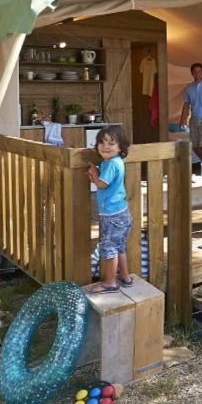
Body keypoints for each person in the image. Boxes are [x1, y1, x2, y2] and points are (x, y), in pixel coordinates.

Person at [86, 125, 134, 293]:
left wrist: (93, 173)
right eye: (102, 142)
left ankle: (110, 283)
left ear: (121, 147)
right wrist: (97, 174)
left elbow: (102, 184)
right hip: (122, 213)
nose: (106, 146)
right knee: (119, 247)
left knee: (109, 249)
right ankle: (126, 277)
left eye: (111, 143)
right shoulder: (116, 162)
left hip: (111, 215)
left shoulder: (109, 165)